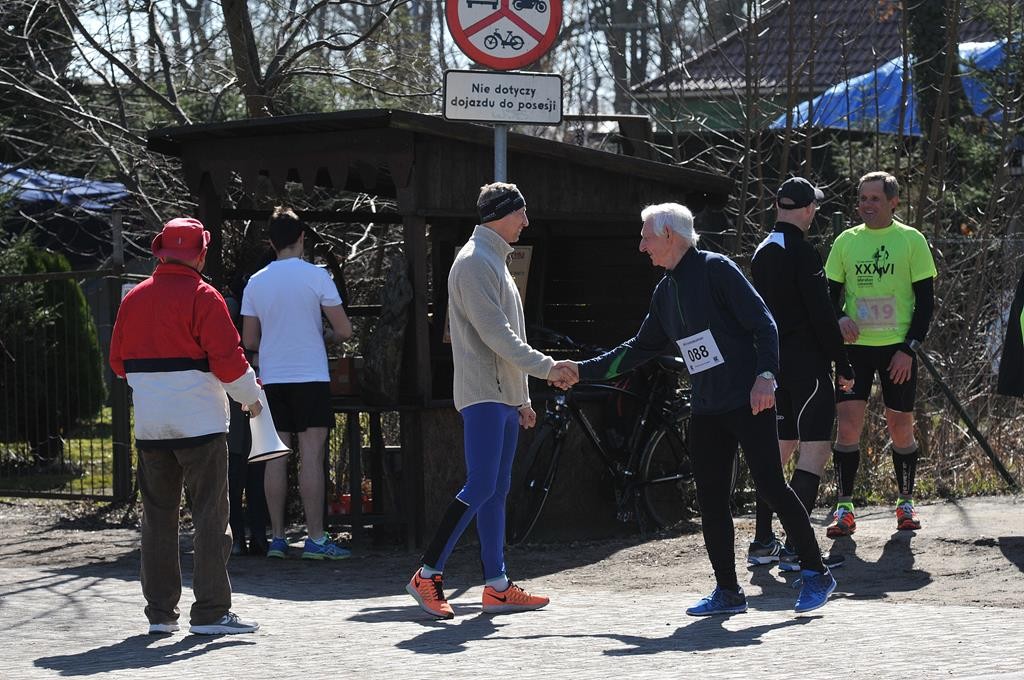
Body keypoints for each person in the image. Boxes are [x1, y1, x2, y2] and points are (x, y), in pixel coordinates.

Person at [574, 202, 836, 615]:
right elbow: (639, 349)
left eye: (645, 237)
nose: (641, 246)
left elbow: (764, 324)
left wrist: (766, 376)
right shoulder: (665, 291)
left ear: (669, 235)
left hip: (748, 401)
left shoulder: (717, 270)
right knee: (711, 500)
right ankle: (728, 591)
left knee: (771, 486)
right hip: (707, 408)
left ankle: (816, 572)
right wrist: (579, 371)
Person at [405, 182, 578, 619]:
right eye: (521, 213)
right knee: (482, 485)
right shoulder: (474, 262)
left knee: (496, 490)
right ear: (501, 214)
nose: (526, 221)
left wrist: (521, 397)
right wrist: (547, 368)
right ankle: (427, 573)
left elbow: (508, 336)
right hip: (482, 393)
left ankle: (497, 587)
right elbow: (496, 335)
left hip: (500, 395)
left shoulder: (493, 260)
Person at [109, 217, 262, 635]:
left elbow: (118, 363)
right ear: (201, 255)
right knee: (210, 516)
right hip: (201, 425)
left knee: (157, 519)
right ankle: (211, 612)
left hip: (151, 426)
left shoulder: (134, 298)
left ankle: (160, 614)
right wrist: (250, 397)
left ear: (161, 252)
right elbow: (229, 361)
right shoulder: (204, 297)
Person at [747, 177, 855, 572]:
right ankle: (796, 548)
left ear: (778, 205)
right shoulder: (804, 252)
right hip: (807, 368)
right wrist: (843, 363)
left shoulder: (761, 251)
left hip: (772, 369)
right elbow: (822, 314)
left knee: (778, 452)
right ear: (808, 209)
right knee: (814, 452)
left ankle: (763, 542)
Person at [824, 171, 936, 535]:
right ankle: (844, 508)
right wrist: (839, 318)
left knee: (900, 427)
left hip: (896, 350)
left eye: (874, 198)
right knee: (847, 426)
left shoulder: (911, 240)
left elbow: (926, 303)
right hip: (854, 350)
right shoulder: (846, 241)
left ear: (893, 202)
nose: (866, 205)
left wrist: (908, 348)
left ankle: (905, 503)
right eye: (862, 198)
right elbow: (827, 297)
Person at [242, 207, 353, 560]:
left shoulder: (256, 282)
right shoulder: (316, 277)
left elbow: (250, 340)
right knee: (311, 457)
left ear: (271, 242)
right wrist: (325, 336)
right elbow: (345, 330)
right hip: (311, 376)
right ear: (302, 237)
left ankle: (277, 539)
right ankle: (315, 539)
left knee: (275, 457)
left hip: (273, 377)